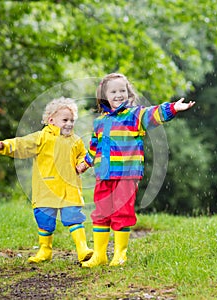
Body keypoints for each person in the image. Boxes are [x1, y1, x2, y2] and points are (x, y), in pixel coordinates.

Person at [76, 73, 195, 268]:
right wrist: (85, 163)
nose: (118, 94)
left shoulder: (135, 115)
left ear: (128, 93)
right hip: (104, 174)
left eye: (122, 90)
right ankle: (99, 255)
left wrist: (173, 108)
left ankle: (120, 254)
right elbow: (94, 148)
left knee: (122, 212)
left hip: (127, 175)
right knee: (101, 213)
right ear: (104, 96)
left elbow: (154, 113)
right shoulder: (99, 122)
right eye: (113, 91)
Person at [0, 97, 93, 264]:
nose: (69, 124)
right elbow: (22, 144)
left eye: (72, 120)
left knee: (73, 216)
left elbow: (83, 155)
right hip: (46, 188)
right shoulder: (41, 138)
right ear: (51, 120)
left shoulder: (76, 140)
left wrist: (83, 164)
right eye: (65, 120)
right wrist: (6, 145)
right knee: (45, 220)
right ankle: (45, 249)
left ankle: (83, 248)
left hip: (69, 188)